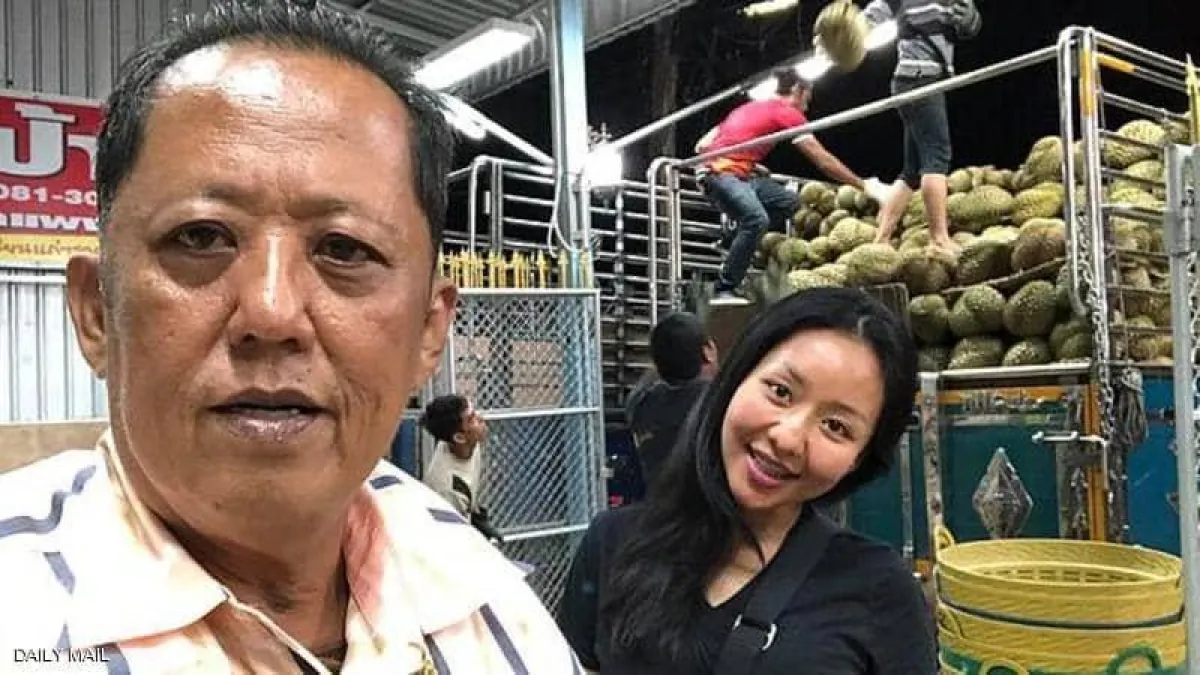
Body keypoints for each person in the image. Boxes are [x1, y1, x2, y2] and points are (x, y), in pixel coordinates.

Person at [0, 2, 581, 673]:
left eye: (344, 249)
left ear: (429, 332)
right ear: (96, 311)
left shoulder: (482, 594)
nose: (272, 314)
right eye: (201, 237)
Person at [558, 287, 933, 674]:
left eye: (836, 426)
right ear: (736, 377)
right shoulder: (611, 544)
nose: (788, 438)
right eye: (781, 391)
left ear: (860, 459)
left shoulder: (880, 592)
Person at [694, 68, 888, 304]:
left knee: (790, 203)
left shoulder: (750, 108)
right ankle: (724, 288)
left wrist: (750, 164)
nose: (808, 104)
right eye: (808, 96)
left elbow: (701, 146)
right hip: (720, 174)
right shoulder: (786, 112)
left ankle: (732, 239)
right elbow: (823, 161)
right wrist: (864, 185)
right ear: (797, 90)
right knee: (756, 220)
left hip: (732, 173)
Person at [864, 0, 983, 252]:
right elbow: (870, 18)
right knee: (937, 158)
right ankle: (939, 237)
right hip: (922, 80)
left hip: (910, 80)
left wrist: (970, 17)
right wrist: (846, 30)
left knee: (912, 170)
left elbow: (967, 27)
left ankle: (881, 240)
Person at [625, 312, 718, 495]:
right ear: (708, 351)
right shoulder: (718, 401)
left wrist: (666, 354)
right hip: (708, 508)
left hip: (659, 507)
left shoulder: (641, 405)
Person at [419, 394, 502, 542]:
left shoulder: (468, 443)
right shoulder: (447, 486)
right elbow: (450, 538)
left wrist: (476, 515)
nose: (481, 419)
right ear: (459, 437)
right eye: (472, 419)